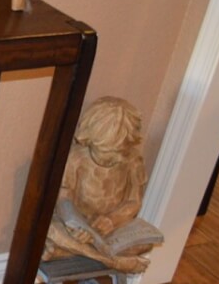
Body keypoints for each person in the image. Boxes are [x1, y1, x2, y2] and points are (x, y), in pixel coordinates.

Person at [42, 97, 163, 274]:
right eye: (106, 151)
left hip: (110, 227)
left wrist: (112, 220)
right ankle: (111, 261)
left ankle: (66, 252)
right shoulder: (75, 159)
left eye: (120, 151)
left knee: (145, 242)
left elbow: (134, 202)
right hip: (79, 225)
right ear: (90, 139)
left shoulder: (133, 161)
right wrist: (75, 225)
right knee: (50, 229)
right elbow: (63, 200)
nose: (115, 157)